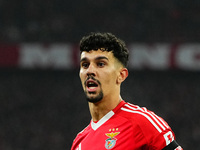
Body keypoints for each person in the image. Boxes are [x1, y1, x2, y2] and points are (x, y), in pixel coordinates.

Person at [71, 32, 183, 150]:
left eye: (100, 64)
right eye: (85, 65)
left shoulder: (143, 123)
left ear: (121, 75)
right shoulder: (80, 142)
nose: (90, 71)